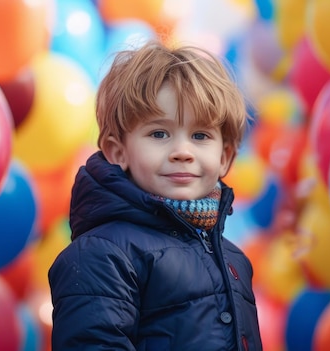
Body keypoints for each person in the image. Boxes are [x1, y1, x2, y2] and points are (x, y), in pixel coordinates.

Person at [48, 39, 263, 351]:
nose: (181, 152)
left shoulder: (233, 259)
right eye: (159, 134)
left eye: (200, 135)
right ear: (117, 151)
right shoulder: (103, 255)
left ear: (225, 157)